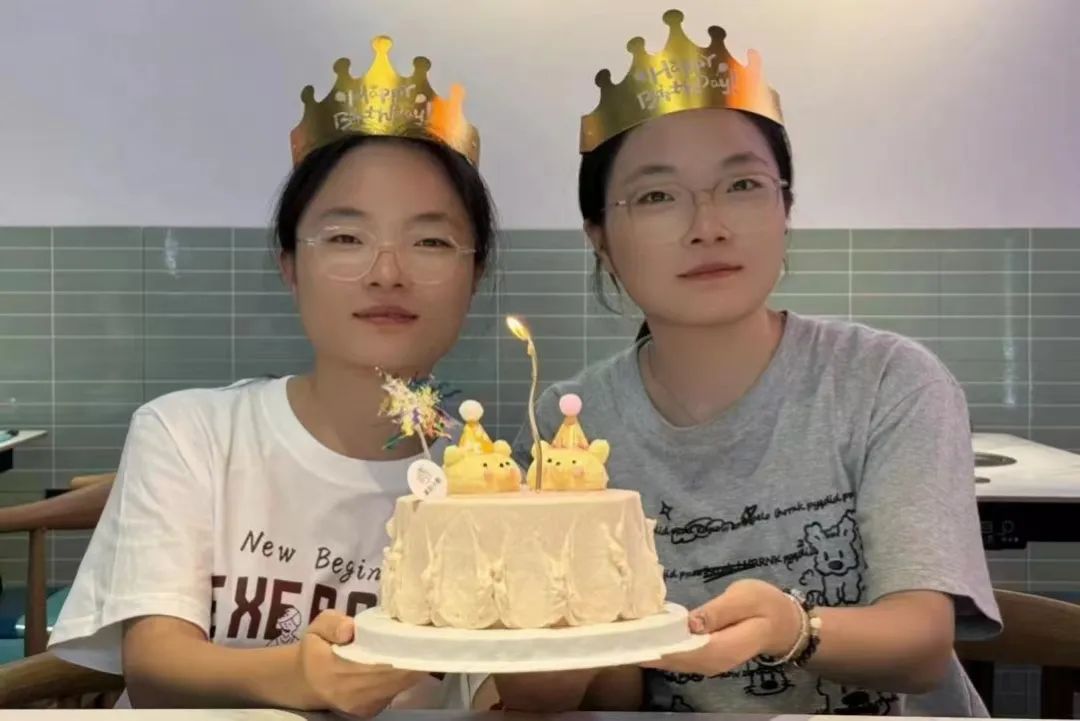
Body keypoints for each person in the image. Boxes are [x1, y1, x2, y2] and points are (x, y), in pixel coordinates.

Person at [510, 10, 1001, 717]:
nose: (708, 226)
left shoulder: (886, 382)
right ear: (601, 239)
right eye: (656, 196)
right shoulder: (566, 431)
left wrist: (792, 629)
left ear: (784, 209)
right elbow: (610, 689)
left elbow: (922, 646)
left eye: (742, 185)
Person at [48, 35, 496, 717]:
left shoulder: (490, 487)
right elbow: (155, 666)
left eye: (431, 240)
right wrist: (297, 675)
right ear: (290, 264)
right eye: (345, 237)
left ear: (475, 273)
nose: (387, 272)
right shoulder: (191, 434)